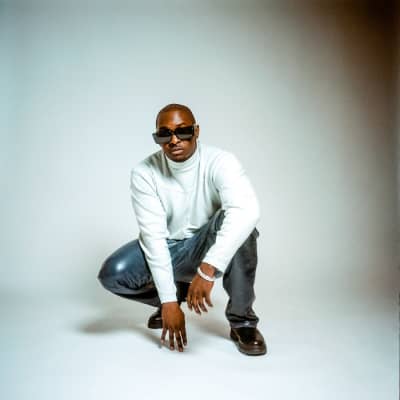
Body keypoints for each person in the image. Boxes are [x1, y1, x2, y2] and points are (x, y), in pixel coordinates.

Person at [97, 103, 266, 356]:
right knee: (113, 273)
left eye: (182, 131)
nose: (174, 140)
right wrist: (167, 301)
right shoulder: (144, 173)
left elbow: (248, 210)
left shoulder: (221, 161)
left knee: (241, 225)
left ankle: (242, 321)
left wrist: (208, 270)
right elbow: (154, 239)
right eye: (164, 134)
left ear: (196, 131)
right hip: (170, 248)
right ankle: (176, 296)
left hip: (208, 243)